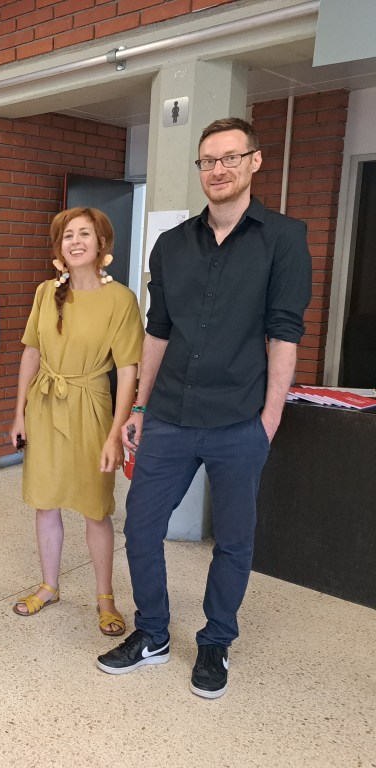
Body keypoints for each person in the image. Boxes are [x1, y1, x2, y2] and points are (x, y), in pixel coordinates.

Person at [96, 117, 311, 699]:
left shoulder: (284, 238)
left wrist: (270, 419)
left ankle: (215, 641)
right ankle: (153, 633)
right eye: (208, 161)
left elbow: (284, 333)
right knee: (142, 527)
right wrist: (139, 407)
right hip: (169, 414)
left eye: (230, 158)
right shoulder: (172, 245)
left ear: (254, 161)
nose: (219, 170)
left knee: (234, 540)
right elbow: (158, 331)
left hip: (240, 418)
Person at [8, 208, 143, 637]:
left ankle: (105, 597)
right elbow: (31, 352)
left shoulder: (120, 299)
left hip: (91, 407)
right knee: (45, 500)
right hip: (45, 405)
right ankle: (49, 585)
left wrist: (116, 432)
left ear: (102, 244)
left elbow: (128, 370)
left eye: (85, 234)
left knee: (95, 507)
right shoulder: (45, 292)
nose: (76, 241)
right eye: (68, 235)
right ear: (59, 246)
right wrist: (18, 412)